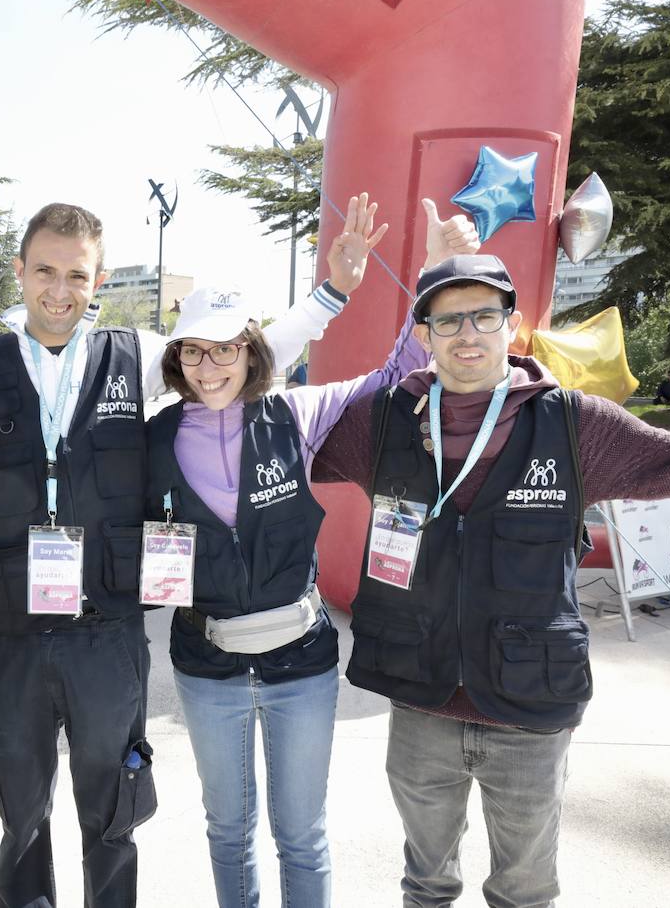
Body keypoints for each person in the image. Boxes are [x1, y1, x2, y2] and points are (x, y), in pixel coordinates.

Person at [0, 201, 353, 906]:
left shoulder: (135, 355)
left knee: (112, 812)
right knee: (21, 815)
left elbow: (240, 351)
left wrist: (330, 294)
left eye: (77, 275)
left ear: (100, 280)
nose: (60, 290)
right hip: (12, 636)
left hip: (107, 637)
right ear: (20, 273)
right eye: (46, 272)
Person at [313, 252, 670, 907]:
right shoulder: (383, 420)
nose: (467, 333)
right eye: (447, 320)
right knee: (426, 884)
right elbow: (266, 441)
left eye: (484, 314)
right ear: (422, 334)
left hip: (529, 712)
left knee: (524, 891)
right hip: (420, 700)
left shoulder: (573, 424)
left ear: (511, 324)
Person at [147, 196, 478, 905]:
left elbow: (391, 380)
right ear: (179, 357)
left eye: (227, 348)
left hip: (300, 664)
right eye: (196, 350)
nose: (210, 367)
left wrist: (431, 274)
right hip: (209, 669)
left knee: (301, 834)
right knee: (228, 830)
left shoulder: (294, 414)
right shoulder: (154, 437)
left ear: (251, 351)